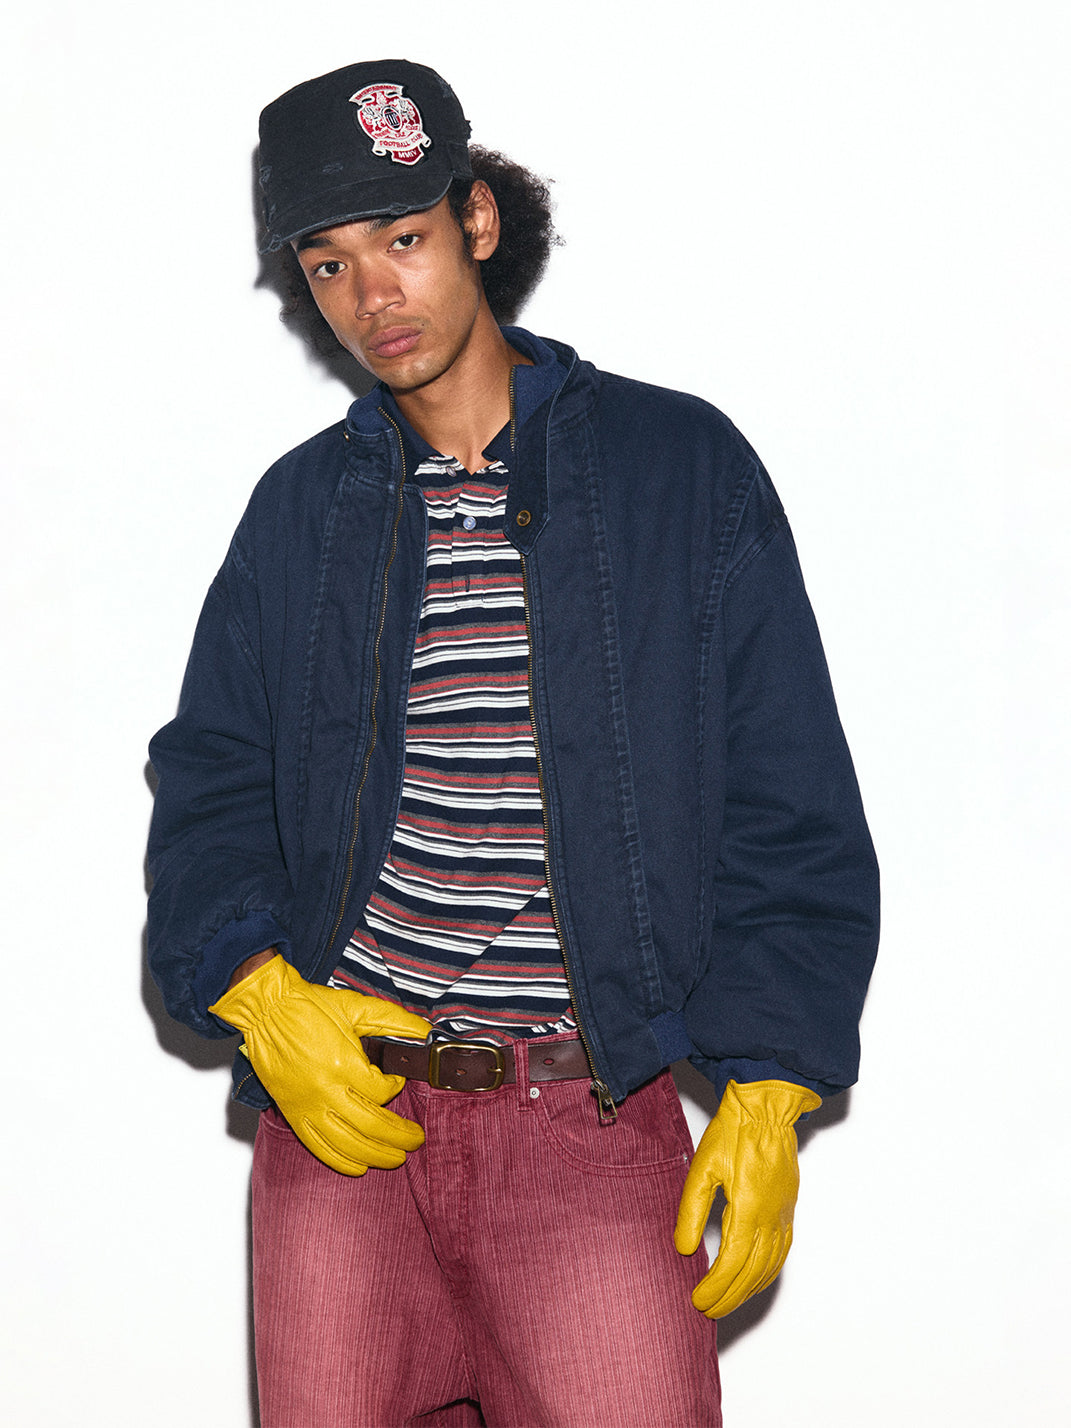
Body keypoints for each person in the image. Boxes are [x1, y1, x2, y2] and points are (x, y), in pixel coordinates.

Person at [147, 58, 879, 1428]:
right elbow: (211, 781)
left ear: (477, 221)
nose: (373, 296)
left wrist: (772, 1085)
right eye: (329, 264)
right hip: (342, 1122)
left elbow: (788, 797)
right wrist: (256, 990)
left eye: (403, 239)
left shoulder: (677, 469)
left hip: (584, 1122)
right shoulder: (302, 511)